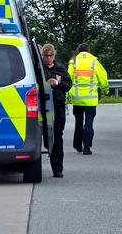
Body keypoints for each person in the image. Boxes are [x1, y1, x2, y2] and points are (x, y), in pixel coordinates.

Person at [68, 43, 109, 155]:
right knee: (89, 123)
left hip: (77, 99)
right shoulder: (94, 62)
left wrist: (68, 94)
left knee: (78, 122)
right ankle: (87, 147)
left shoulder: (74, 63)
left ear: (78, 52)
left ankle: (77, 145)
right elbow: (103, 77)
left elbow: (68, 78)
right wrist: (105, 90)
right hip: (91, 100)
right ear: (89, 51)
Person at [41, 44, 73, 178]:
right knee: (45, 135)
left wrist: (58, 84)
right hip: (43, 105)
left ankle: (57, 169)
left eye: (51, 56)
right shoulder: (39, 69)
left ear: (54, 56)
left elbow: (68, 85)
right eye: (46, 56)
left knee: (57, 135)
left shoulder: (60, 68)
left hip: (58, 104)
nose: (48, 58)